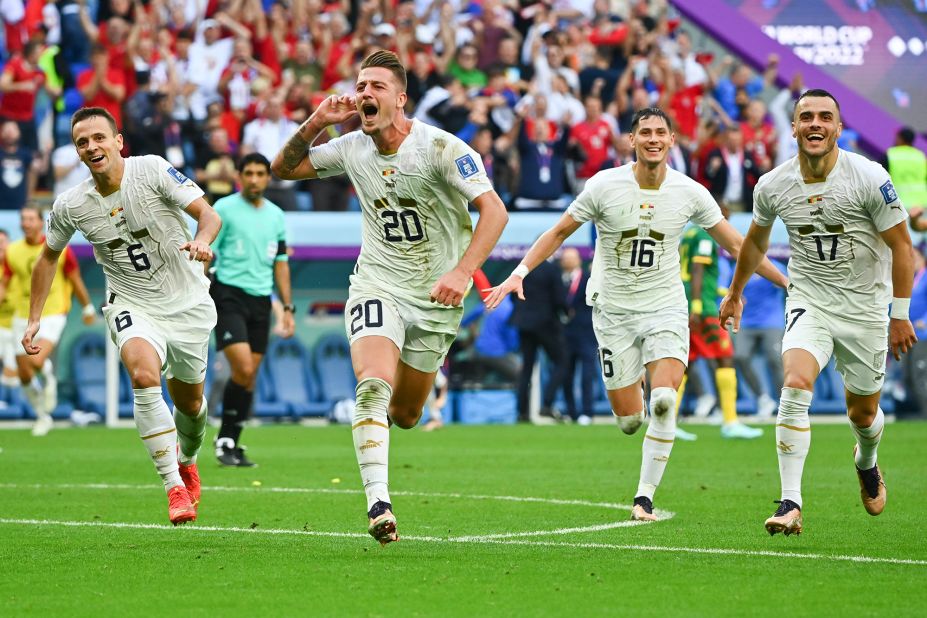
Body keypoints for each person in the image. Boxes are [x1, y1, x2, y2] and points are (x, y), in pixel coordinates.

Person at [486, 108, 787, 522]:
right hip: (612, 312)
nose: (652, 138)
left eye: (660, 132)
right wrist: (519, 272)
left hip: (664, 306)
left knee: (664, 399)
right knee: (630, 420)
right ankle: (636, 404)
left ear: (671, 141)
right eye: (644, 132)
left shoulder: (690, 192)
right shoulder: (604, 185)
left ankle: (644, 497)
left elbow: (739, 245)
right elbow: (558, 232)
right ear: (631, 140)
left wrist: (788, 283)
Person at [271, 51, 508, 545]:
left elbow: (495, 212)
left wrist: (464, 272)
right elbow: (283, 169)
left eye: (377, 86)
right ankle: (378, 502)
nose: (365, 94)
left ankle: (388, 446)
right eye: (360, 85)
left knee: (405, 414)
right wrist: (318, 120)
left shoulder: (442, 148)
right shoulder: (352, 145)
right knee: (372, 385)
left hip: (436, 292)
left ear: (400, 99)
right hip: (377, 282)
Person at [719, 89, 918, 536]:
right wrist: (735, 291)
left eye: (824, 117)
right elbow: (754, 242)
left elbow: (903, 246)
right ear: (793, 127)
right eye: (805, 116)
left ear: (838, 128)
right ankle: (791, 501)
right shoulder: (773, 185)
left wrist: (898, 314)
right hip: (810, 300)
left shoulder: (868, 176)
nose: (814, 124)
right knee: (795, 382)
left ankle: (866, 461)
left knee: (863, 414)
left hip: (866, 308)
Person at [24, 106, 221, 525]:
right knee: (143, 376)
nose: (91, 147)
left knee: (191, 404)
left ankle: (188, 459)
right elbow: (48, 258)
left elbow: (208, 213)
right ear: (76, 152)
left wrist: (202, 241)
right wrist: (34, 317)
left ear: (118, 141)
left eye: (98, 137)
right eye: (82, 142)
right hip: (131, 302)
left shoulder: (152, 170)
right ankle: (173, 487)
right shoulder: (71, 204)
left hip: (187, 303)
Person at [210, 152, 295, 467]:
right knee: (243, 369)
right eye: (249, 173)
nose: (255, 179)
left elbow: (281, 263)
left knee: (249, 376)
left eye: (261, 173)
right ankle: (225, 438)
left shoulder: (276, 216)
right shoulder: (224, 209)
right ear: (239, 176)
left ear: (268, 178)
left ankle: (230, 441)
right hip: (228, 294)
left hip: (261, 299)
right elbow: (206, 252)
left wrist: (287, 308)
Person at [0, 206, 95, 436]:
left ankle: (49, 377)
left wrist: (87, 306)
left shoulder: (59, 248)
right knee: (23, 374)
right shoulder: (13, 251)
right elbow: (6, 281)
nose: (26, 223)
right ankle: (43, 416)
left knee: (36, 360)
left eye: (31, 218)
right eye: (23, 218)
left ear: (41, 222)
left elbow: (75, 279)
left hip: (53, 312)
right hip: (22, 315)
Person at [678, 209, 763, 439]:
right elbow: (697, 269)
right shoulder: (705, 237)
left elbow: (694, 275)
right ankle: (731, 421)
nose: (726, 223)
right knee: (725, 358)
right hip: (702, 310)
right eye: (725, 217)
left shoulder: (688, 235)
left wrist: (726, 292)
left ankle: (667, 423)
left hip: (689, 303)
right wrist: (697, 306)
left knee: (686, 363)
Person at [560, 247, 597, 425]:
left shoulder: (588, 279)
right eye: (565, 258)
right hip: (566, 334)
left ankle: (588, 412)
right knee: (566, 373)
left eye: (571, 258)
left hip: (586, 333)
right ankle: (571, 411)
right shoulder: (558, 280)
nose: (568, 261)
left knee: (587, 374)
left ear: (578, 260)